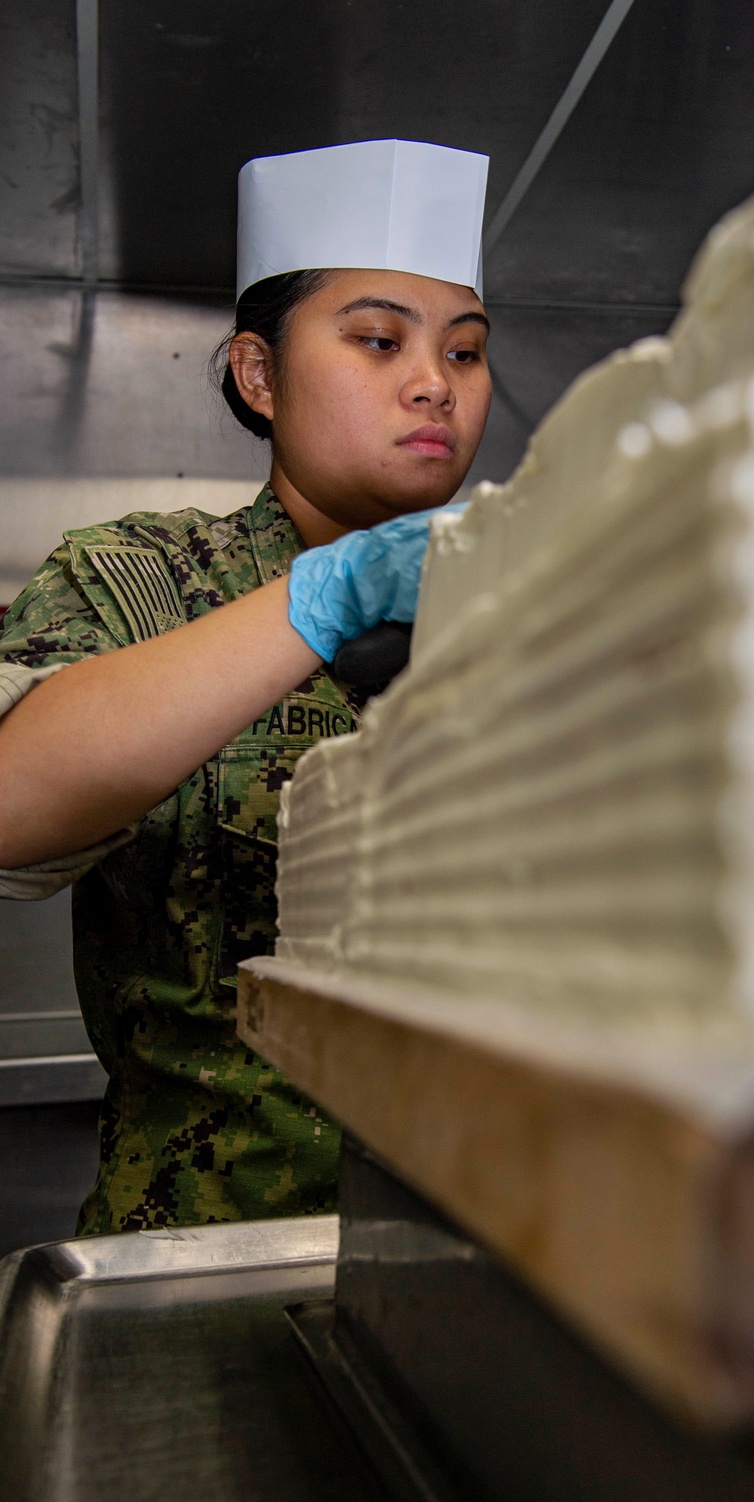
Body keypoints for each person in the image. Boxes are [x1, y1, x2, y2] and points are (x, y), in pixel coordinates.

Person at [0, 139, 491, 1232]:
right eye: (377, 339)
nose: (433, 383)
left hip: (486, 1247)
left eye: (465, 352)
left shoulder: (523, 616)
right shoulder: (142, 578)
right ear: (258, 374)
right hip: (202, 1250)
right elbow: (12, 806)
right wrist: (329, 594)